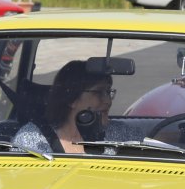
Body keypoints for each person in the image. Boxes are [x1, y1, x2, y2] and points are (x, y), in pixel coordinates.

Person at [12, 60, 141, 155]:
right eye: (98, 92)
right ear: (71, 99)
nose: (108, 101)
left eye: (108, 92)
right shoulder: (32, 139)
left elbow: (152, 153)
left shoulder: (122, 133)